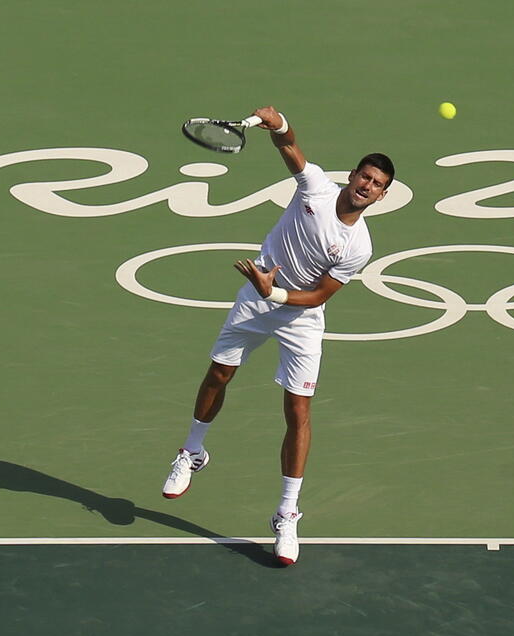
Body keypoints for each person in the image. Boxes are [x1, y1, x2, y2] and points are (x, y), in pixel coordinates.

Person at [161, 105, 395, 566]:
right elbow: (289, 148)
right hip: (256, 297)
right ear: (352, 176)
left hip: (298, 316)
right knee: (219, 373)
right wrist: (280, 122)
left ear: (382, 196)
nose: (367, 187)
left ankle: (286, 514)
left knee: (297, 411)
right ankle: (191, 452)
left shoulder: (359, 246)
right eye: (364, 177)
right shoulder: (316, 189)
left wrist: (278, 292)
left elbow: (320, 297)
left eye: (377, 185)